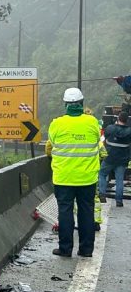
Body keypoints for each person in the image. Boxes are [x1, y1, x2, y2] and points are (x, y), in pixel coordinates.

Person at [45, 87, 101, 258]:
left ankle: (65, 248)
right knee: (86, 212)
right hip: (87, 178)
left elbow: (50, 146)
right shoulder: (92, 122)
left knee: (65, 212)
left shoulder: (57, 124)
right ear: (82, 103)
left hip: (64, 178)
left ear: (65, 105)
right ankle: (86, 250)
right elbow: (97, 141)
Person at [98, 111, 131, 207]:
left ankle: (102, 195)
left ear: (118, 118)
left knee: (102, 174)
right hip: (122, 159)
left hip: (110, 157)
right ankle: (119, 201)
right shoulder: (129, 131)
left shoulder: (111, 128)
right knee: (119, 179)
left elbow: (105, 136)